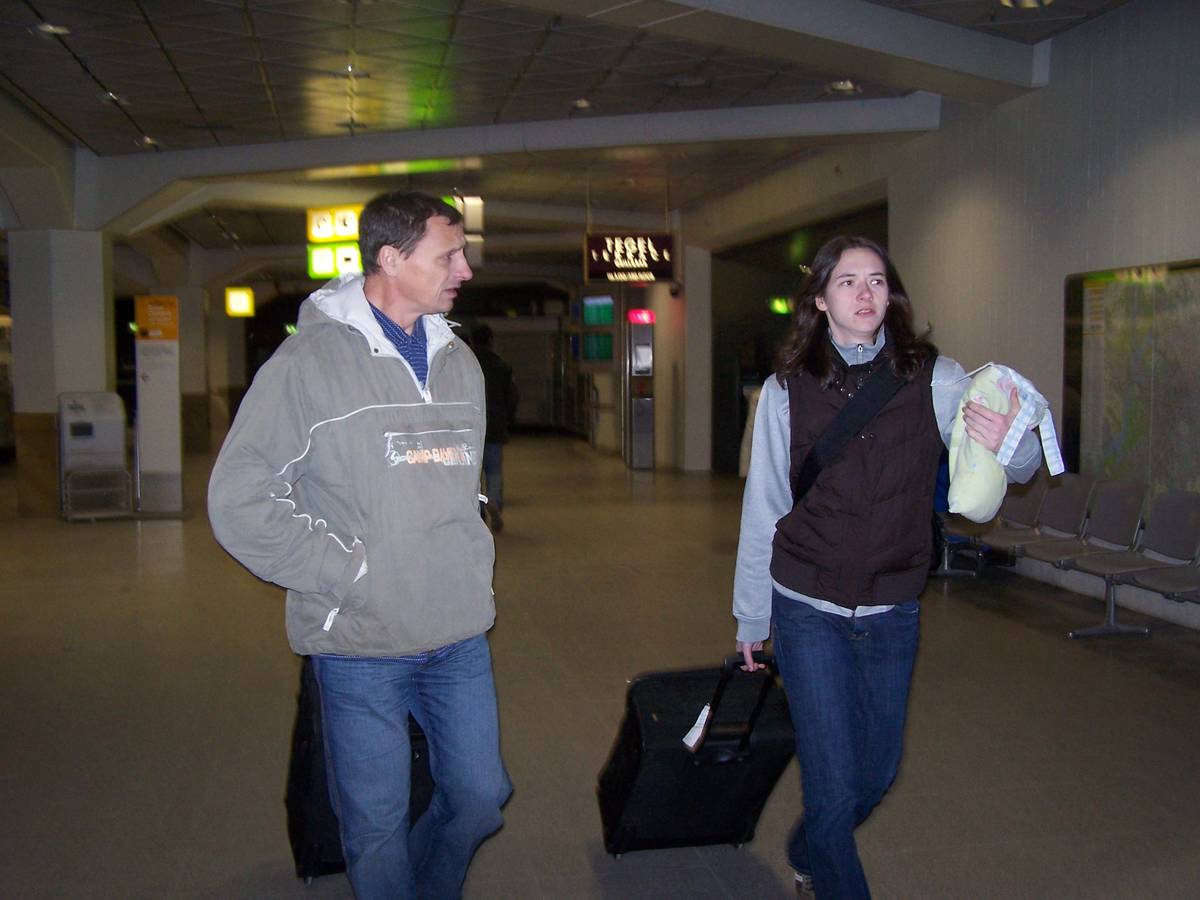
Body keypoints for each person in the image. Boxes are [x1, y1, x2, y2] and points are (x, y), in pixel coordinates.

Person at [208, 191, 511, 900]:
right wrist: (345, 570)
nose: (465, 270)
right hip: (360, 642)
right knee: (376, 824)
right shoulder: (306, 364)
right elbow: (238, 499)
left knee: (481, 796)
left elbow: (457, 486)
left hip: (456, 632)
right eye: (449, 255)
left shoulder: (460, 362)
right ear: (390, 258)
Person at [732, 235, 1041, 899]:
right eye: (847, 281)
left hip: (892, 609)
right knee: (832, 784)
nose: (865, 292)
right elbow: (764, 508)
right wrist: (751, 614)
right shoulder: (786, 392)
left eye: (876, 279)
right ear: (820, 299)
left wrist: (1009, 443)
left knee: (874, 774)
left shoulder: (937, 378)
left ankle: (809, 846)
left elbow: (1014, 467)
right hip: (806, 604)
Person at [471, 324, 519, 533]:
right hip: (495, 427)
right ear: (491, 340)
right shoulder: (501, 366)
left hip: (470, 429)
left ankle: (480, 509)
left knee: (474, 474)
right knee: (494, 471)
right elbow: (512, 397)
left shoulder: (466, 365)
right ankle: (495, 502)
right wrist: (508, 419)